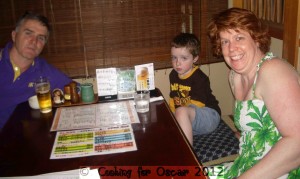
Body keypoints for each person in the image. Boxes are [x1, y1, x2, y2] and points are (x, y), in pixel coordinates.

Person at [207, 7, 300, 178]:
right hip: (247, 162)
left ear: (256, 39)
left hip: (281, 170)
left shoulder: (273, 70)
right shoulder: (235, 76)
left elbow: (297, 143)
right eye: (225, 41)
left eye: (239, 38)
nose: (231, 48)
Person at [0, 11, 72, 130]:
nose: (34, 41)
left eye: (41, 38)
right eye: (28, 33)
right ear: (14, 35)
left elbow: (76, 89)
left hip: (14, 141)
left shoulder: (44, 69)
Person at [169, 33, 221, 145]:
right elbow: (174, 98)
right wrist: (172, 116)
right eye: (174, 57)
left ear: (195, 59)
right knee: (167, 122)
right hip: (189, 116)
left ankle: (189, 155)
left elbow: (198, 104)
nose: (177, 63)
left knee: (181, 112)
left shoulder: (199, 78)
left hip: (208, 114)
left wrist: (179, 114)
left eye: (184, 58)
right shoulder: (173, 75)